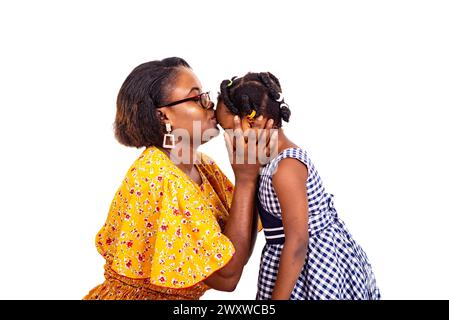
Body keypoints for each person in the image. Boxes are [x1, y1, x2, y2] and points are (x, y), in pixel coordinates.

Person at [84, 58, 273, 300]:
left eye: (205, 95)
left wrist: (252, 170)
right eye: (196, 98)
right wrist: (246, 179)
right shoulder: (160, 177)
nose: (210, 104)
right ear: (163, 116)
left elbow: (235, 249)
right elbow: (227, 276)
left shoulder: (204, 165)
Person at [215, 72, 381, 300]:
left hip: (312, 268)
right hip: (287, 262)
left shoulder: (286, 168)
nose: (229, 139)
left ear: (255, 121)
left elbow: (298, 242)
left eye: (230, 131)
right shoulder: (261, 163)